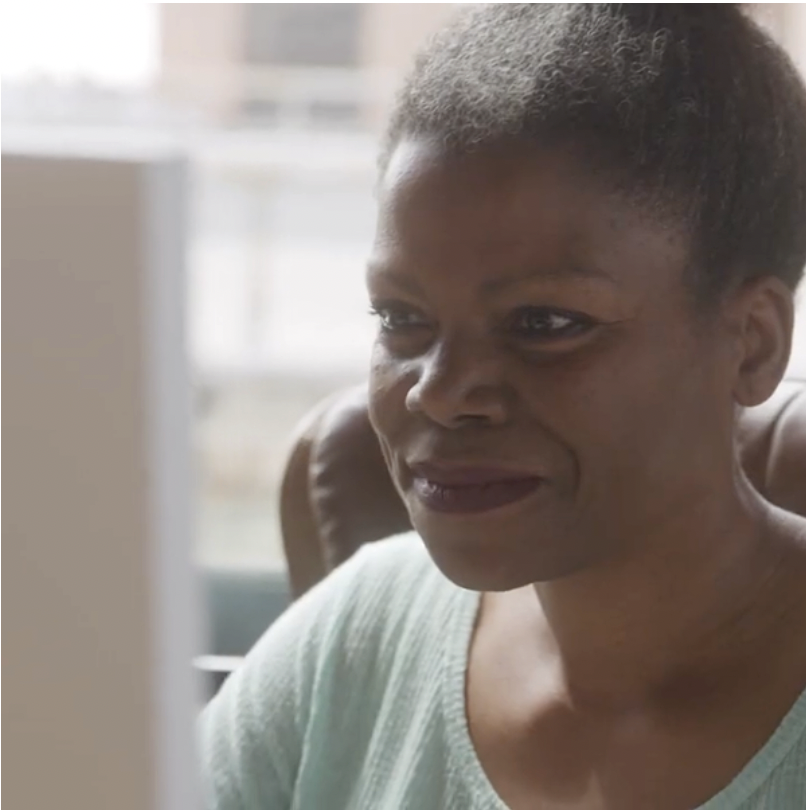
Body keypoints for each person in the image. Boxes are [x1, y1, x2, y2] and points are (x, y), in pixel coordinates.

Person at [200, 5, 806, 808]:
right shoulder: (357, 636)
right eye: (400, 318)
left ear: (753, 344)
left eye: (545, 325)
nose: (440, 393)